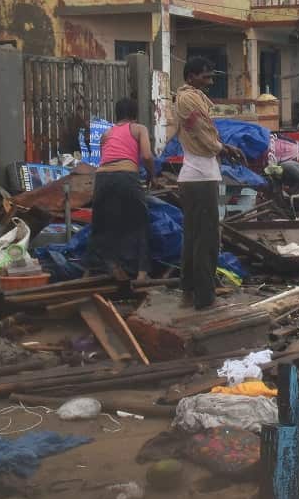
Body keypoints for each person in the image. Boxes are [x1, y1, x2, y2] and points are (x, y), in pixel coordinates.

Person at [173, 57, 246, 310]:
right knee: (207, 240)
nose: (210, 82)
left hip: (197, 176)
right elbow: (203, 133)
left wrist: (223, 148)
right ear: (191, 77)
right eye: (205, 77)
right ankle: (204, 298)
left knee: (193, 238)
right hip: (200, 178)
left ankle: (189, 292)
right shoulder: (188, 99)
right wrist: (222, 148)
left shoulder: (190, 98)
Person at [86, 98, 158, 283]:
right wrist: (152, 174)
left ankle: (107, 267)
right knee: (139, 222)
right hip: (126, 176)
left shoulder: (107, 134)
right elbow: (147, 156)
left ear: (116, 114)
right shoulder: (139, 128)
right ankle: (142, 273)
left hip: (102, 178)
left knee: (104, 225)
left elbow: (106, 159)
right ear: (135, 114)